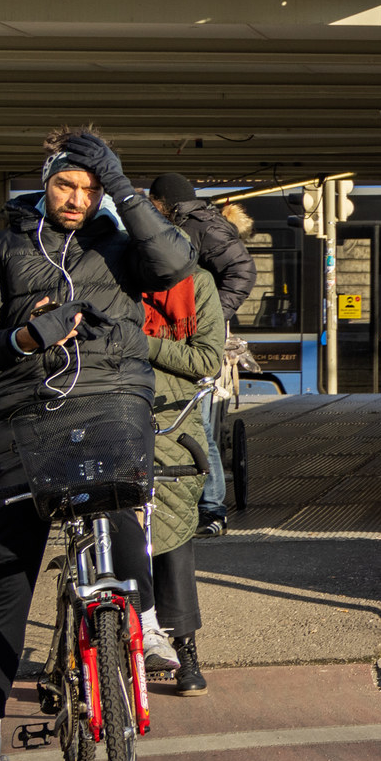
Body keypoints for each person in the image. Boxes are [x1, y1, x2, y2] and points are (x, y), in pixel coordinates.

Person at [0, 130, 195, 761]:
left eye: (90, 189)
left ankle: (136, 623)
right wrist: (24, 338)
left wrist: (121, 184)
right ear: (45, 183)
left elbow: (175, 265)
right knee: (7, 576)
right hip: (26, 419)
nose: (78, 200)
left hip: (113, 405)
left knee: (122, 510)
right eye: (67, 186)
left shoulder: (117, 244)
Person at [135, 192, 226, 692]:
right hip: (117, 415)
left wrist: (141, 343)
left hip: (174, 422)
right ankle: (108, 644)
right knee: (109, 537)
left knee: (170, 539)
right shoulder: (117, 280)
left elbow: (207, 359)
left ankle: (185, 647)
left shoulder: (200, 285)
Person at [145, 174, 254, 539]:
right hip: (166, 333)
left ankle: (211, 508)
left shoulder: (200, 226)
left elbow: (242, 271)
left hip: (192, 337)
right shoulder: (182, 223)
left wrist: (209, 317)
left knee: (198, 426)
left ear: (162, 201)